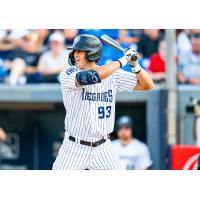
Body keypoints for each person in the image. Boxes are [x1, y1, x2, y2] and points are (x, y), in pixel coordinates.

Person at [52, 34, 153, 170]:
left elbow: (147, 85)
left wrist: (135, 65)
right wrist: (123, 60)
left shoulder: (112, 75)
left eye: (80, 51)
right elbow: (94, 76)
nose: (75, 54)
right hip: (74, 147)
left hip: (103, 147)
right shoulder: (68, 73)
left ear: (92, 54)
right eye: (75, 50)